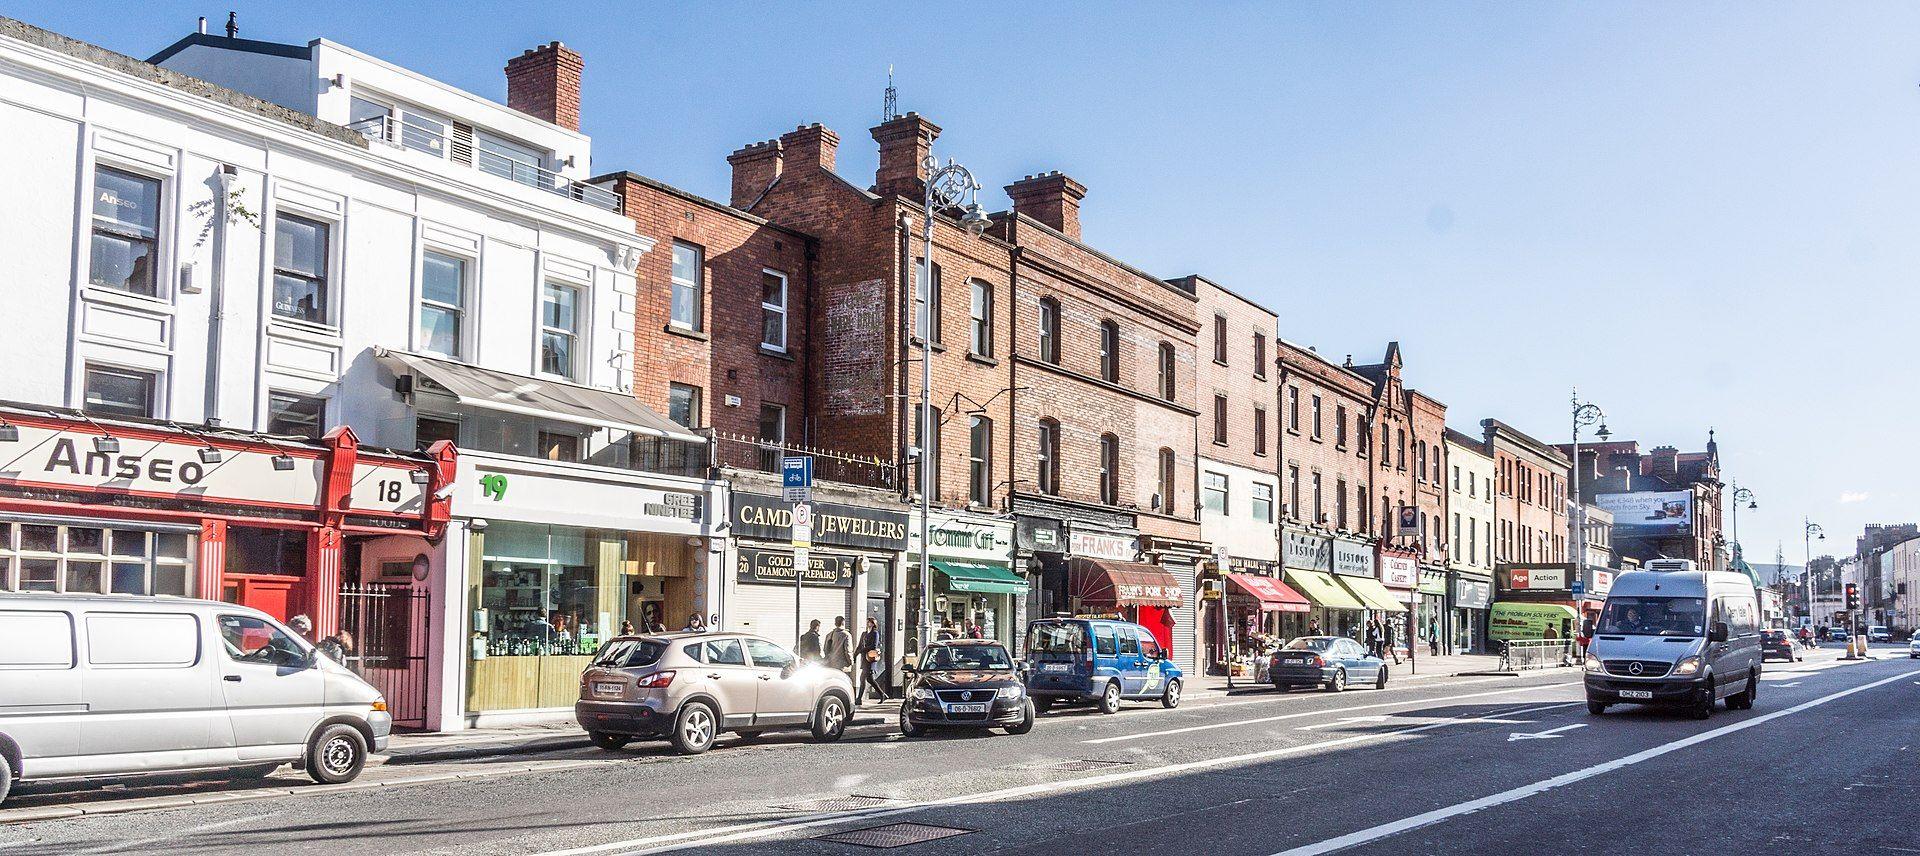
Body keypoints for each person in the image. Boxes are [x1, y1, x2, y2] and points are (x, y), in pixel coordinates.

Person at [855, 617, 889, 701]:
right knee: (870, 679)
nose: (867, 623)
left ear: (873, 624)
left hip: (870, 659)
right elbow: (859, 645)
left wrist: (862, 650)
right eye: (867, 622)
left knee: (862, 678)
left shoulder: (875, 633)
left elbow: (874, 646)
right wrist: (855, 655)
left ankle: (859, 699)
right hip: (864, 659)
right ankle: (882, 695)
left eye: (869, 622)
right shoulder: (864, 634)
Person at [825, 616, 854, 681]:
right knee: (844, 683)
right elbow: (848, 651)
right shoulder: (846, 635)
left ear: (835, 623)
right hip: (842, 665)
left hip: (831, 664)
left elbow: (825, 649)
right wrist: (851, 662)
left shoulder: (829, 634)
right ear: (843, 623)